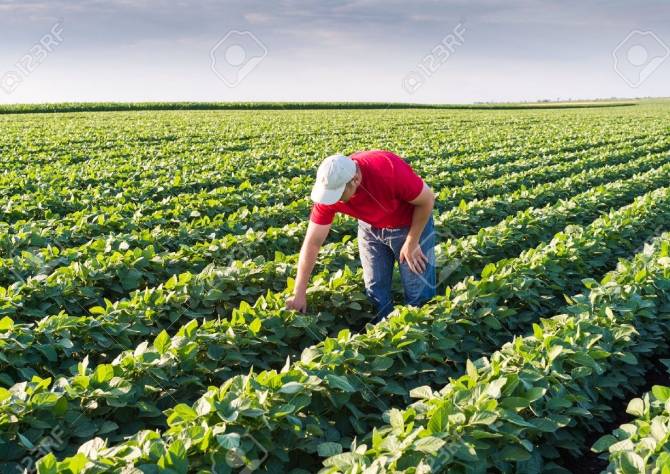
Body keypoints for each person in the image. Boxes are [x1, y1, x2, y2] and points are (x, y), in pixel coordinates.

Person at [285, 150, 437, 323]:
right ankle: (383, 337)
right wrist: (299, 291)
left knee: (418, 291)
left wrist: (412, 241)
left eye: (338, 194)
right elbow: (312, 242)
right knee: (375, 290)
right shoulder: (330, 189)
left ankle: (420, 339)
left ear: (355, 180)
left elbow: (427, 199)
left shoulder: (387, 169)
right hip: (370, 227)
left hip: (409, 224)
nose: (332, 200)